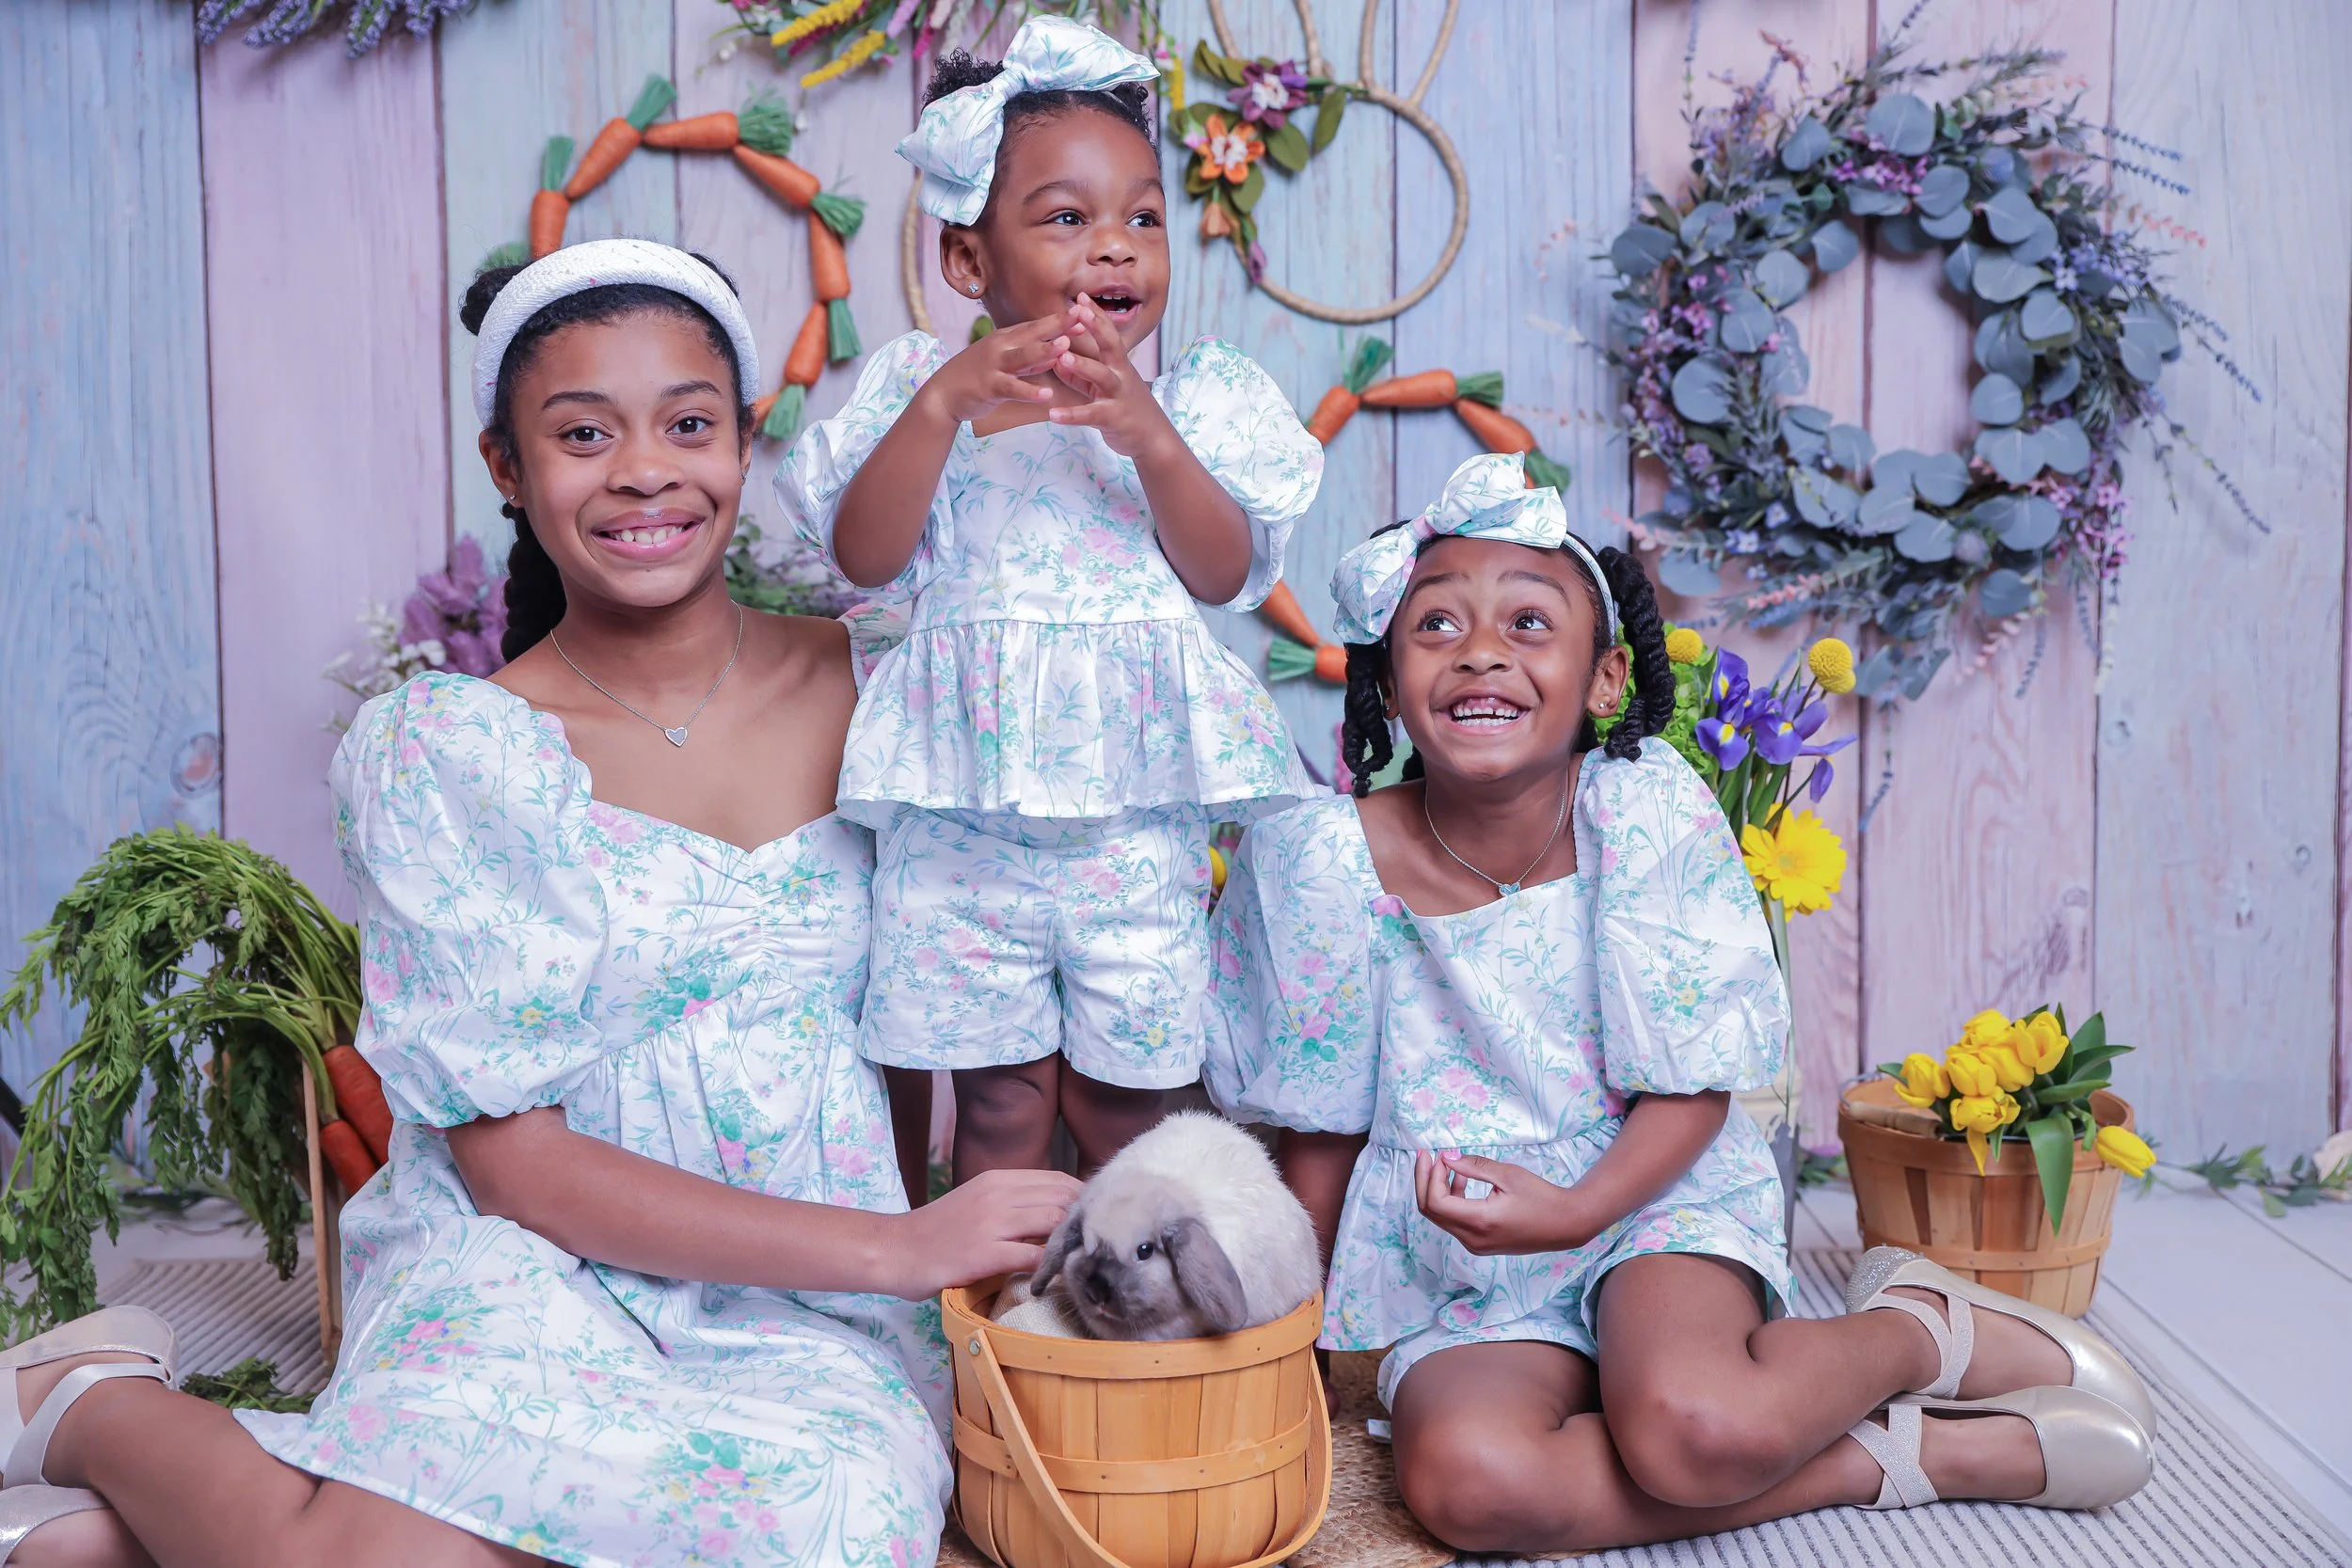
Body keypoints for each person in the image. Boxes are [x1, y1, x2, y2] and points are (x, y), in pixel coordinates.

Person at [0, 238, 1076, 1568]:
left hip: (811, 1298)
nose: (644, 470)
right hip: (530, 1255)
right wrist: (903, 1242)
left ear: (747, 441)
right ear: (507, 466)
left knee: (826, 1528)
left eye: (689, 423)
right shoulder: (452, 750)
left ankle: (169, 1524)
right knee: (367, 1563)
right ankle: (96, 1396)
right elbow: (518, 1163)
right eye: (583, 432)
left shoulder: (889, 690)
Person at [1202, 452, 2155, 1554]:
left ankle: (1912, 1329)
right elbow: (1316, 1121)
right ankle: (1913, 1455)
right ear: (1384, 672)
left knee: (1693, 1426)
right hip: (1457, 1250)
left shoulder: (1643, 813)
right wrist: (1287, 1348)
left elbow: (1688, 1083)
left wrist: (1571, 1209)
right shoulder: (1323, 859)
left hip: (1653, 1193)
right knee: (1469, 1484)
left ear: (1604, 679)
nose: (1479, 652)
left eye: (1525, 623)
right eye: (1435, 626)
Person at [774, 17, 1324, 1186]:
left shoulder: (1192, 406)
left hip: (1130, 832)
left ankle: (1129, 1343)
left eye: (1141, 217)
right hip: (962, 829)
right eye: (1068, 218)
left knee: (1138, 1106)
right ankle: (991, 1342)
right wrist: (941, 408)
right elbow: (865, 559)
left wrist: (1152, 440)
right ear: (971, 263)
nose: (1114, 250)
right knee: (1003, 1108)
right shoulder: (926, 398)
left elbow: (1223, 572)